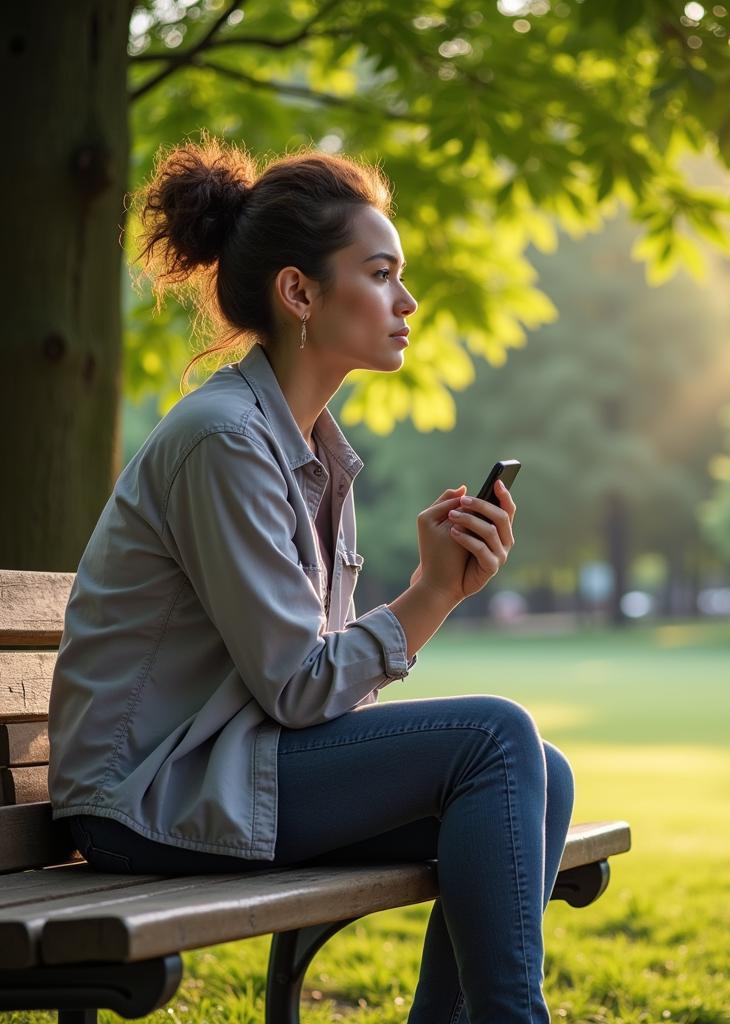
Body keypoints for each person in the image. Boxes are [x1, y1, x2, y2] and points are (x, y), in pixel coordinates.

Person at [46, 135, 574, 1024]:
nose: (407, 301)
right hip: (145, 796)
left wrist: (431, 593)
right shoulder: (223, 440)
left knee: (539, 773)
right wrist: (430, 595)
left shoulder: (310, 451)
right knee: (495, 738)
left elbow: (307, 691)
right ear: (300, 292)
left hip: (226, 768)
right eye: (379, 273)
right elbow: (297, 687)